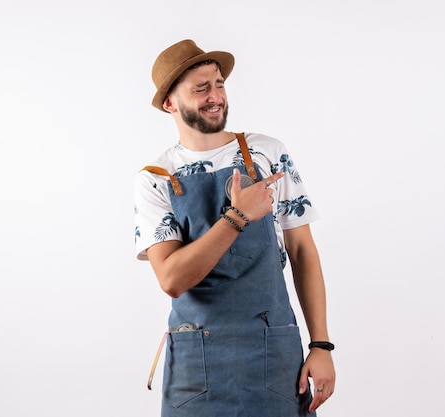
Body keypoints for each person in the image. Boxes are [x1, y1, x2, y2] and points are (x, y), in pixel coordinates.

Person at [134, 39, 336, 417]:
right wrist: (237, 217)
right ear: (170, 103)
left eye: (219, 84)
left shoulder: (267, 154)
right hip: (196, 365)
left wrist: (321, 345)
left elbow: (303, 252)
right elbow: (172, 279)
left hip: (273, 354)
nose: (215, 97)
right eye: (200, 88)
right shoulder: (156, 179)